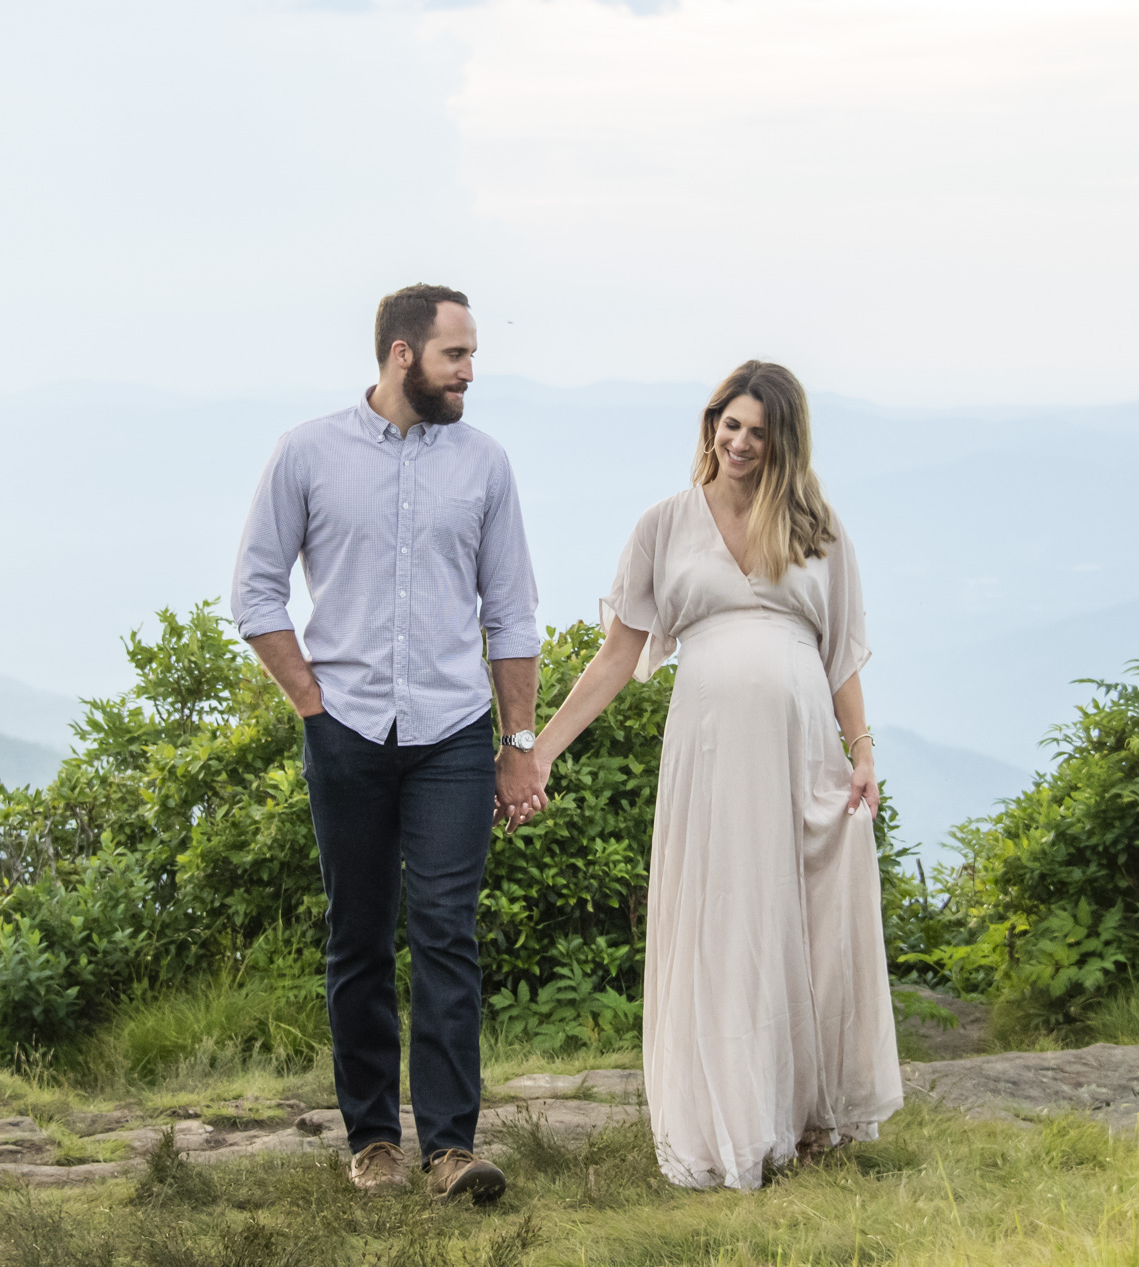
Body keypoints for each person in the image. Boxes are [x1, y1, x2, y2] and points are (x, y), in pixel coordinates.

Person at [531, 360, 903, 1190]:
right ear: (710, 426)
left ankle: (810, 1114)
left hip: (803, 747)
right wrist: (540, 749)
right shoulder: (664, 524)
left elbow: (841, 652)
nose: (738, 442)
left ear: (783, 443)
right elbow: (617, 657)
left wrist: (864, 749)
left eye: (757, 431)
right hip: (709, 752)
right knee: (727, 920)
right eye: (727, 424)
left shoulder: (817, 527)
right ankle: (731, 1118)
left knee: (806, 920)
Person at [230, 284, 547, 1202]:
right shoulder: (308, 453)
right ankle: (373, 1141)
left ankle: (452, 1148)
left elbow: (512, 611)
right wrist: (312, 704)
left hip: (452, 733)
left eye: (472, 353)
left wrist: (518, 740)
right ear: (403, 354)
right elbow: (255, 591)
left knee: (447, 932)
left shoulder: (485, 465)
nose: (470, 372)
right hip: (348, 732)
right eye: (456, 354)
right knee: (358, 936)